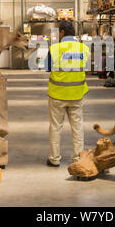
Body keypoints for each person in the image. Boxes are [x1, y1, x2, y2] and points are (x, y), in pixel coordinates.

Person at [45, 20, 91, 167]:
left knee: (55, 127)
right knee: (77, 127)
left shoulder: (55, 49)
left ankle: (54, 159)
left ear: (62, 33)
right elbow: (86, 67)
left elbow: (47, 68)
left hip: (57, 94)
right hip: (77, 94)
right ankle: (78, 159)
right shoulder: (84, 49)